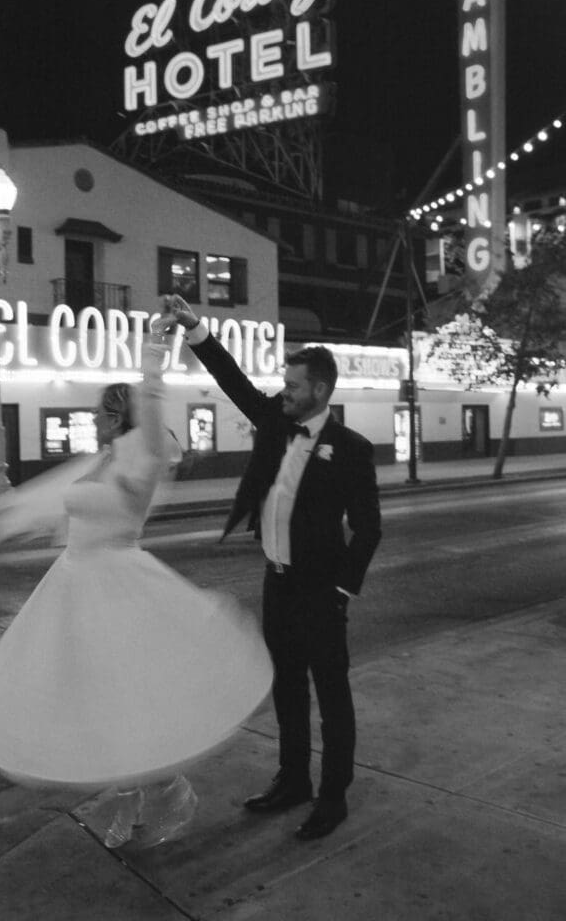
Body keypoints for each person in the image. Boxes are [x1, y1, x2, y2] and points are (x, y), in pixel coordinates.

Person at [0, 340, 272, 849]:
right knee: (98, 696)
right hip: (73, 584)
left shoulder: (142, 457)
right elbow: (54, 499)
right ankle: (129, 795)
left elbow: (152, 402)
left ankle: (167, 792)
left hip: (121, 585)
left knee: (130, 694)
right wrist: (5, 522)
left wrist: (154, 354)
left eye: (99, 415)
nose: (93, 422)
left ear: (116, 416)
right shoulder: (102, 458)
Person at [159, 295, 381, 841]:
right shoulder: (277, 421)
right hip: (277, 583)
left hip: (319, 589)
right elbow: (234, 382)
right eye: (285, 381)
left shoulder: (351, 449)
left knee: (331, 693)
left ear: (321, 391)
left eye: (295, 384)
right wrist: (194, 328)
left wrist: (341, 590)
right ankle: (293, 780)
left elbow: (369, 528)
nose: (285, 390)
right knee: (286, 688)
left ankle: (332, 796)